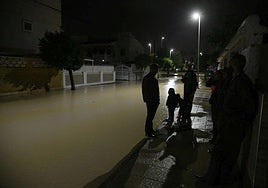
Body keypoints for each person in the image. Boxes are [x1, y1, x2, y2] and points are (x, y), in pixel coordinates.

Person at [198, 53, 258, 186]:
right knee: (220, 153)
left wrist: (238, 122)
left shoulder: (242, 81)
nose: (229, 63)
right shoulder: (235, 79)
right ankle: (214, 178)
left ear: (235, 64)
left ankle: (216, 180)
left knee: (225, 154)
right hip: (228, 124)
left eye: (231, 61)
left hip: (233, 126)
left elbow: (250, 107)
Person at [142, 63, 160, 137]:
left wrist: (157, 100)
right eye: (156, 70)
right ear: (153, 69)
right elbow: (144, 90)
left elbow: (156, 91)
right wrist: (146, 99)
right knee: (150, 116)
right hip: (151, 100)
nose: (156, 71)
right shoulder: (148, 79)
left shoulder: (153, 79)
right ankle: (148, 132)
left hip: (153, 100)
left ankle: (150, 130)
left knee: (151, 116)